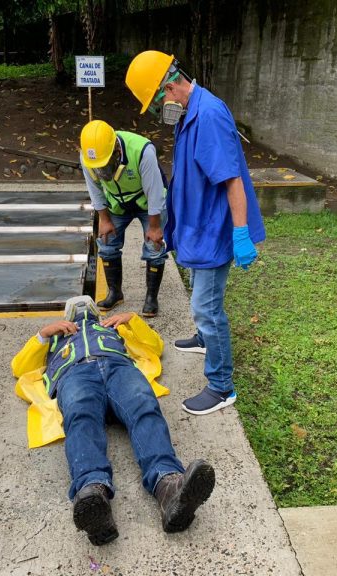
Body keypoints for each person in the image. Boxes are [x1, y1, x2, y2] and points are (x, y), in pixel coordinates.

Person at [125, 51, 266, 416]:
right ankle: (205, 339)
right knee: (203, 301)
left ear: (169, 87)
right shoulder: (188, 113)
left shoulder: (209, 116)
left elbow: (231, 178)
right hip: (196, 226)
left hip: (214, 229)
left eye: (158, 103)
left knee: (207, 306)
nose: (160, 112)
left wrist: (240, 232)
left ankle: (221, 386)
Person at [11, 295, 215, 546]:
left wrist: (132, 321)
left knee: (144, 406)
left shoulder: (113, 329)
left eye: (88, 306)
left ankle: (169, 486)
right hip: (75, 374)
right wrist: (42, 335)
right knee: (80, 416)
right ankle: (92, 496)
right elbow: (19, 367)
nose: (82, 310)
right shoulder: (54, 340)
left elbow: (155, 347)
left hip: (119, 367)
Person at [79, 120, 169, 317]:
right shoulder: (88, 157)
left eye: (105, 164)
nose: (101, 170)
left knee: (154, 247)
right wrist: (104, 218)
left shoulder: (143, 151)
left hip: (148, 203)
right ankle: (115, 292)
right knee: (107, 242)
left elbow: (154, 192)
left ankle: (151, 298)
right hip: (117, 203)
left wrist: (154, 227)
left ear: (116, 150)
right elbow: (94, 190)